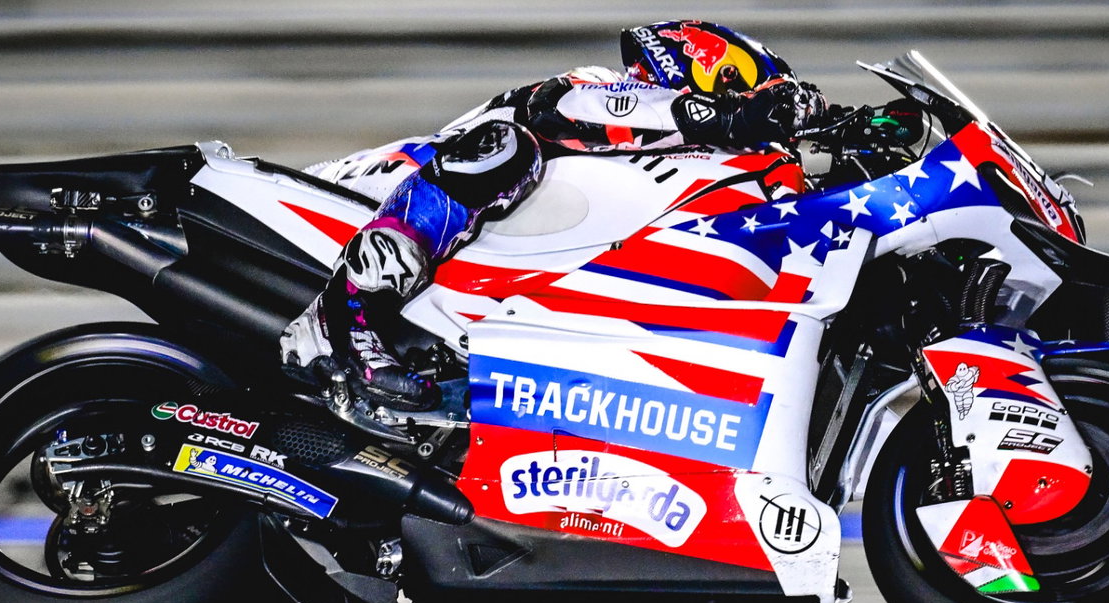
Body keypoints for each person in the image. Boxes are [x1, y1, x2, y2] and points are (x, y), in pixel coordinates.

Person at [279, 20, 827, 411]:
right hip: (358, 191)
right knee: (506, 147)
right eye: (751, 93)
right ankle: (342, 316)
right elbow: (561, 111)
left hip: (470, 271)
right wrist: (732, 115)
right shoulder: (600, 87)